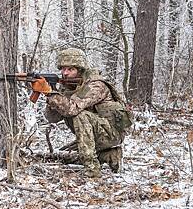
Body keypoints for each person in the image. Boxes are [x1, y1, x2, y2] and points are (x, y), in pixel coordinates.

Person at [43, 48, 133, 178]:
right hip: (96, 134)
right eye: (63, 69)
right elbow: (53, 118)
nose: (65, 73)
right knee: (66, 155)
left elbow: (72, 109)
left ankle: (92, 169)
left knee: (79, 115)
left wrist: (52, 95)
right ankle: (111, 156)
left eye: (70, 69)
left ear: (81, 69)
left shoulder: (95, 85)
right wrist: (51, 95)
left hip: (111, 133)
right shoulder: (68, 86)